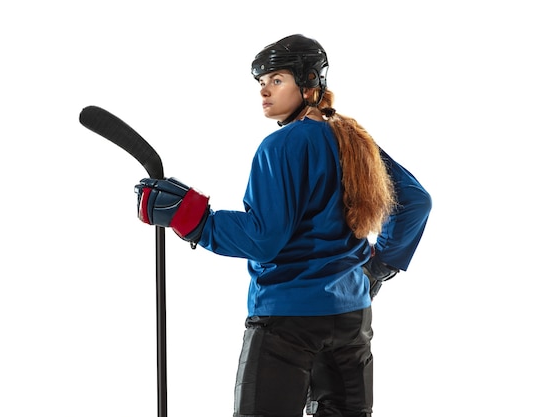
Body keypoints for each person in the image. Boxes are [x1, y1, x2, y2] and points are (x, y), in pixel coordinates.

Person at [134, 34, 431, 417]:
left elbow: (264, 239)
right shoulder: (355, 141)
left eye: (276, 80)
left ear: (309, 82)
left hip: (288, 321)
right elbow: (415, 201)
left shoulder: (280, 147)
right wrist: (378, 268)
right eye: (261, 82)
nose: (264, 92)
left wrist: (192, 219)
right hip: (352, 318)